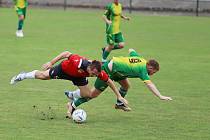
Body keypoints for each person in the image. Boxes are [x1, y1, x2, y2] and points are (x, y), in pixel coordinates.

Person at [10, 51, 128, 117]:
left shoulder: (98, 72)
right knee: (43, 76)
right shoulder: (78, 61)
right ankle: (23, 75)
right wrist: (51, 62)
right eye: (93, 73)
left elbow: (109, 81)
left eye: (96, 75)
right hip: (64, 70)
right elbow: (65, 53)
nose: (94, 76)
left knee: (88, 94)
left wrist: (118, 96)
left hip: (78, 78)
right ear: (90, 67)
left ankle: (72, 96)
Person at [65, 49, 172, 115]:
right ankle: (72, 103)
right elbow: (150, 84)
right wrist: (160, 96)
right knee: (93, 94)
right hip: (109, 70)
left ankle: (119, 104)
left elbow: (131, 50)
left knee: (126, 85)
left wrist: (129, 55)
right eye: (153, 71)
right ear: (150, 67)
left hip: (118, 71)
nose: (152, 74)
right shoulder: (143, 70)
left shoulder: (141, 59)